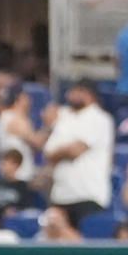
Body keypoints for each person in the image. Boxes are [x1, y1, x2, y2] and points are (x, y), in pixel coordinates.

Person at [42, 81, 115, 228]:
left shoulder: (98, 117)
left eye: (75, 91)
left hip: (88, 194)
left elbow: (75, 151)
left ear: (88, 93)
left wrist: (61, 151)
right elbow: (48, 153)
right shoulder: (64, 119)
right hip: (61, 195)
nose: (70, 95)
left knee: (86, 247)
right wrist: (64, 150)